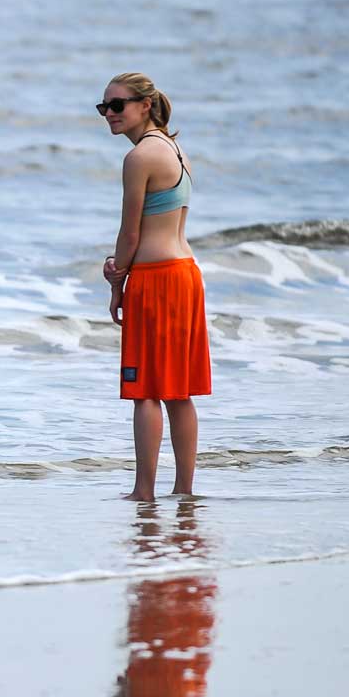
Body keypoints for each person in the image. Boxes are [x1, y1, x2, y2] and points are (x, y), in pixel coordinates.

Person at [98, 72, 211, 501]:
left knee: (145, 391)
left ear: (145, 105)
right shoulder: (174, 149)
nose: (109, 114)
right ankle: (184, 490)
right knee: (178, 392)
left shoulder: (139, 157)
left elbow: (130, 234)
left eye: (117, 105)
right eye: (103, 107)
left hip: (157, 278)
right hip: (185, 273)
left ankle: (143, 491)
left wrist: (117, 279)